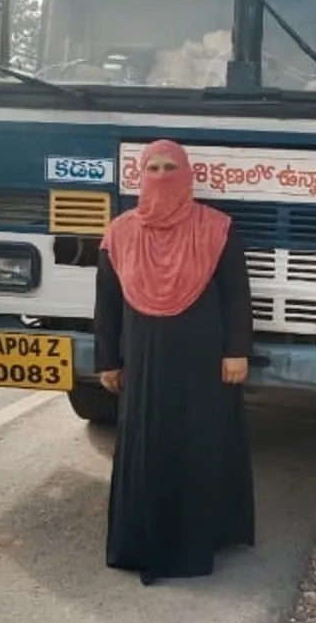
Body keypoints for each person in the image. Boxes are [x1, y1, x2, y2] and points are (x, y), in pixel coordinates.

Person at [93, 139, 256, 586]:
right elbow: (106, 304)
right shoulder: (120, 233)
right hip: (143, 362)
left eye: (171, 167)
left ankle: (197, 544)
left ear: (187, 176)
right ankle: (144, 545)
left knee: (199, 443)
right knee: (146, 442)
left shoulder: (216, 229)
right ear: (140, 176)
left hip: (203, 361)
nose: (162, 176)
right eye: (154, 167)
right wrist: (107, 359)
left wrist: (236, 351)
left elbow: (236, 294)